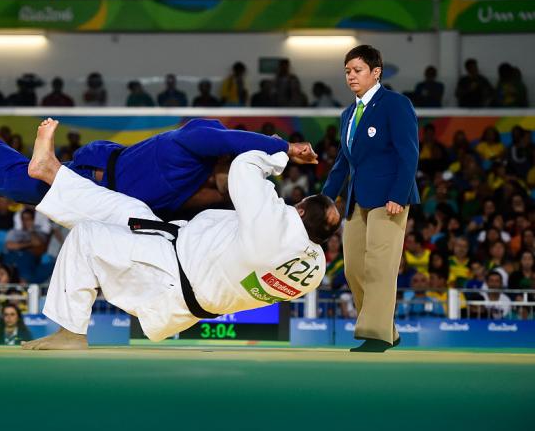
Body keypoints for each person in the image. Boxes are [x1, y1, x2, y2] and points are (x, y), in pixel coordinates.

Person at [19, 119, 340, 349]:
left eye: (296, 203)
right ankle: (50, 171)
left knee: (87, 236)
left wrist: (281, 153)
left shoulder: (273, 224)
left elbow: (245, 165)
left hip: (172, 276)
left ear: (298, 211)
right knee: (123, 209)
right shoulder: (313, 270)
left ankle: (71, 332)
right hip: (177, 263)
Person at [0, 118, 318, 219]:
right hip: (98, 176)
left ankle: (44, 167)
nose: (236, 181)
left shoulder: (203, 192)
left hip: (109, 197)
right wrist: (282, 146)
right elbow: (229, 142)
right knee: (24, 183)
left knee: (30, 188)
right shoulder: (194, 141)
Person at [322, 45, 420, 353]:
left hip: (388, 199)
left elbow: (409, 154)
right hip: (356, 201)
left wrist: (398, 194)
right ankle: (387, 329)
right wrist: (323, 200)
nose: (351, 76)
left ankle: (376, 334)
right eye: (347, 71)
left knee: (380, 266)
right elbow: (343, 162)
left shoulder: (395, 104)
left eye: (357, 70)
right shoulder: (348, 114)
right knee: (353, 268)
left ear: (376, 72)